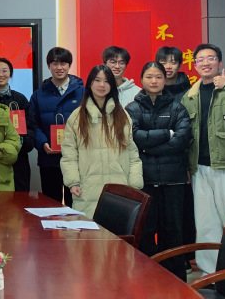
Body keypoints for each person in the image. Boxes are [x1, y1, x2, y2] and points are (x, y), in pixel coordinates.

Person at [125, 62, 191, 281]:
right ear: (141, 80)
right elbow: (134, 138)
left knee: (172, 230)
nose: (154, 81)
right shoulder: (132, 109)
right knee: (144, 230)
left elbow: (182, 140)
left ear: (165, 80)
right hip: (144, 179)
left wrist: (148, 147)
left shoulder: (178, 108)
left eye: (158, 77)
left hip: (173, 180)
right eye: (149, 77)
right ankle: (146, 279)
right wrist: (166, 134)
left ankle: (175, 280)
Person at [181, 43, 225, 275]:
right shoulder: (189, 96)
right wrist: (187, 166)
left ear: (220, 63)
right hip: (200, 169)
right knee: (206, 223)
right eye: (200, 60)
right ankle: (210, 274)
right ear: (195, 65)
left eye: (211, 58)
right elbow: (186, 135)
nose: (205, 63)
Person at [60, 65, 143, 219]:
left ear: (112, 85)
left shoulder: (122, 115)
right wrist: (73, 182)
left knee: (117, 232)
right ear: (90, 83)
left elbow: (132, 153)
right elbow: (69, 154)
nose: (101, 85)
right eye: (97, 80)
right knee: (88, 232)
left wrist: (135, 184)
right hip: (87, 189)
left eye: (106, 81)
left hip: (120, 189)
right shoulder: (77, 117)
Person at [155, 45, 196, 271]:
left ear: (180, 65)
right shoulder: (153, 90)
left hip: (183, 159)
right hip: (157, 161)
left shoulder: (190, 91)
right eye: (163, 61)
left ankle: (185, 257)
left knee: (183, 211)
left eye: (173, 62)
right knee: (161, 211)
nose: (168, 66)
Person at [31, 47, 84, 205]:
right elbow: (33, 124)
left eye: (63, 63)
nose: (59, 67)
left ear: (69, 65)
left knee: (75, 203)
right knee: (50, 204)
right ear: (48, 66)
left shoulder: (82, 92)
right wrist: (42, 143)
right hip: (49, 159)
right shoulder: (38, 95)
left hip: (76, 158)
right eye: (55, 63)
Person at [0, 57, 35, 191]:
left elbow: (31, 132)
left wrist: (15, 144)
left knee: (19, 201)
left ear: (10, 74)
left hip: (18, 162)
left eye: (5, 70)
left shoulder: (20, 99)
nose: (0, 74)